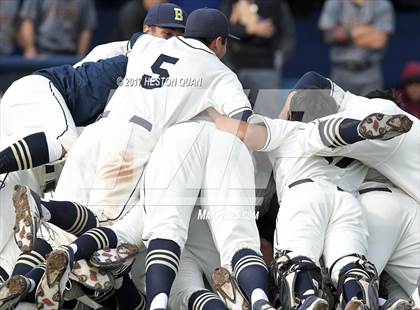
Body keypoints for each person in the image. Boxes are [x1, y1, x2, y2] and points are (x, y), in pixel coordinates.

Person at [223, 0, 295, 115]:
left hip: (265, 69)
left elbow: (287, 32)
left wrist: (279, 59)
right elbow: (224, 29)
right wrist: (251, 29)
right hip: (235, 68)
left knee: (269, 118)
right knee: (236, 119)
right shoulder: (231, 2)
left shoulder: (275, 3)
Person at [319, 0, 394, 95]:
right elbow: (327, 35)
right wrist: (364, 32)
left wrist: (347, 31)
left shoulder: (382, 4)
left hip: (369, 72)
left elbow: (380, 42)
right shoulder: (335, 2)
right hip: (341, 72)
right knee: (341, 109)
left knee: (370, 109)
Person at [19, 0, 97, 58]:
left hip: (69, 55)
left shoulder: (85, 1)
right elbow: (28, 22)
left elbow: (86, 30)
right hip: (42, 52)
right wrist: (30, 49)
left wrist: (80, 57)